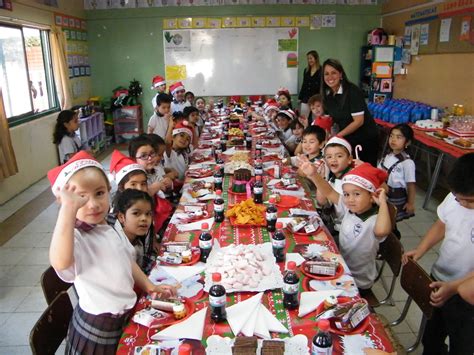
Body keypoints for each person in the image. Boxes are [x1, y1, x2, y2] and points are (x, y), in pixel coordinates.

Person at [47, 151, 176, 354]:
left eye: (99, 193)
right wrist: (67, 212)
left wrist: (150, 286)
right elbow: (61, 263)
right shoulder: (75, 237)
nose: (94, 204)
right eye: (81, 197)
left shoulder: (108, 226)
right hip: (98, 326)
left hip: (123, 316)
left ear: (109, 191)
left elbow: (127, 260)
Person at [402, 153, 474, 355]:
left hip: (466, 295)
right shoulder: (455, 197)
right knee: (431, 337)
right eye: (458, 198)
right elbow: (442, 223)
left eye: (468, 201)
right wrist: (421, 249)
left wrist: (454, 287)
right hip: (439, 279)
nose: (461, 204)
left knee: (462, 344)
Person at [300, 160, 391, 294]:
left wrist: (383, 203)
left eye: (357, 194)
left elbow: (382, 231)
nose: (350, 199)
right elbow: (329, 191)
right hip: (339, 267)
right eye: (347, 194)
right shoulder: (348, 208)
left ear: (372, 197)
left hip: (357, 282)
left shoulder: (375, 220)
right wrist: (314, 175)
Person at [321, 58, 379, 166]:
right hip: (347, 137)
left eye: (334, 73)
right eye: (326, 74)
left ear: (341, 74)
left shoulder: (352, 91)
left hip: (365, 139)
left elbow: (358, 121)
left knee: (364, 173)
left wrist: (337, 136)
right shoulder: (328, 96)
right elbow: (329, 121)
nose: (330, 77)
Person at [378, 124, 416, 223]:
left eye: (399, 137)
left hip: (395, 197)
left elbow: (411, 185)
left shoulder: (407, 163)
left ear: (407, 142)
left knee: (390, 221)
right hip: (383, 192)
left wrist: (410, 203)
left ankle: (393, 237)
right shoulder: (388, 155)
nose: (393, 140)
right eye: (391, 136)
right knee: (383, 218)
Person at [115, 189, 154, 272]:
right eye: (136, 213)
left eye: (148, 214)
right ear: (121, 217)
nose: (144, 218)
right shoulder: (117, 245)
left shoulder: (138, 241)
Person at [298, 50, 322, 119]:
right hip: (306, 98)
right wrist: (300, 97)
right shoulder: (306, 70)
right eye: (308, 58)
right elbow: (304, 84)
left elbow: (322, 85)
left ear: (316, 58)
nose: (309, 60)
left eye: (311, 58)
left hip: (316, 98)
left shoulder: (321, 70)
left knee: (316, 118)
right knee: (303, 117)